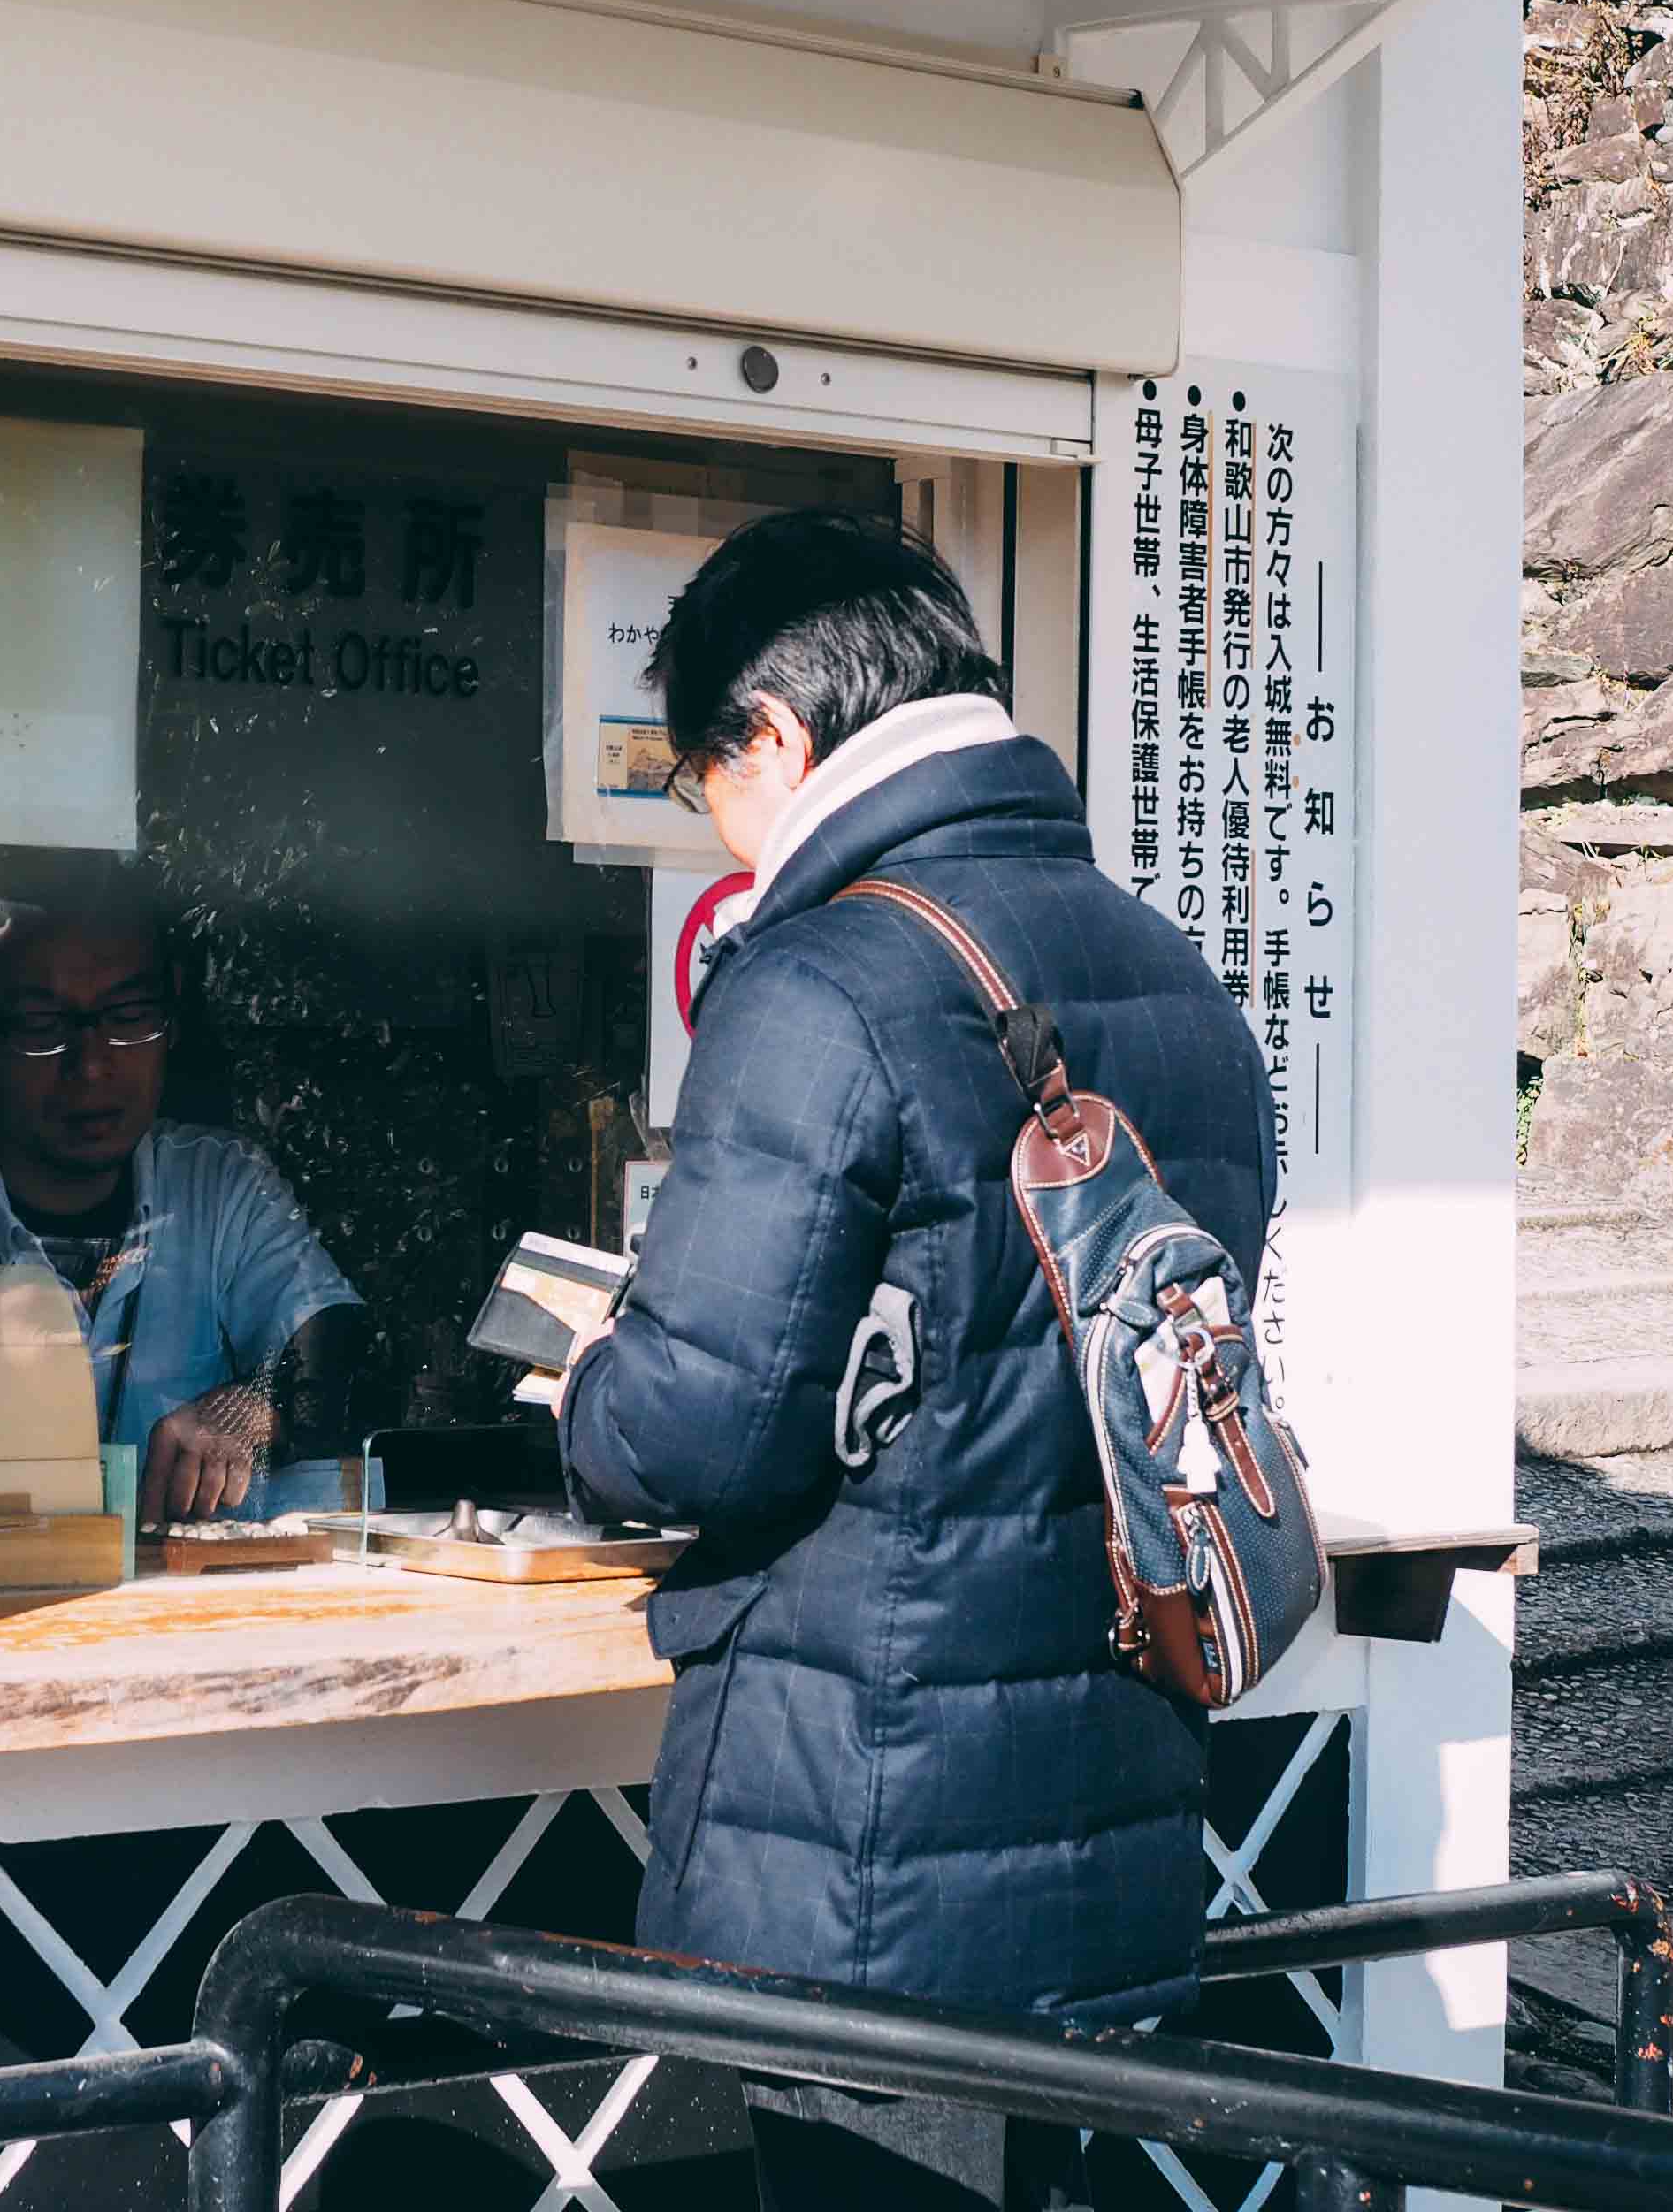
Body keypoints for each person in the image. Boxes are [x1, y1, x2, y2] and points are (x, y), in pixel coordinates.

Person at [554, 507, 1277, 2212]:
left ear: (778, 738)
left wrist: (590, 1372)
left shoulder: (817, 982)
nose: (715, 824)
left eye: (694, 776)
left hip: (866, 1843)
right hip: (1112, 1806)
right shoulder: (1168, 971)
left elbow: (697, 1437)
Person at [0, 864, 364, 1523]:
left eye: (128, 1015)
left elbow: (334, 1347)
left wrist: (254, 1405)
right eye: (40, 1023)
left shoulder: (220, 1186)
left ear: (171, 1014)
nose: (92, 1064)